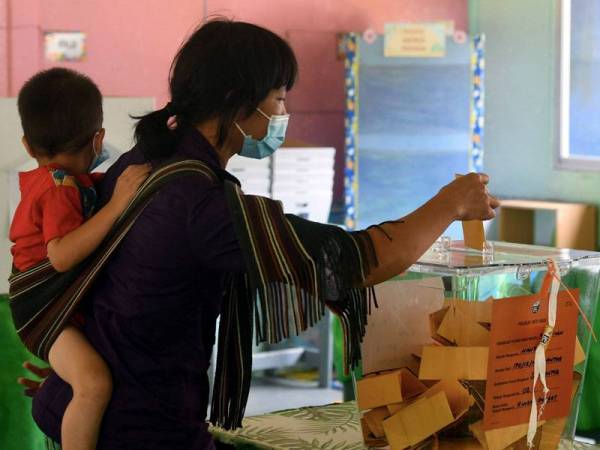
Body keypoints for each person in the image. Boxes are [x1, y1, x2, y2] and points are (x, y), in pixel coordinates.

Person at [25, 19, 498, 449]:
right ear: (238, 102)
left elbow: (106, 281)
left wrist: (67, 361)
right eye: (278, 98)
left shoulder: (141, 162)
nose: (282, 113)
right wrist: (451, 202)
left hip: (79, 403)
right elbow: (362, 259)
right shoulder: (202, 206)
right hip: (139, 428)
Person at [10, 68, 151, 450]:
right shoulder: (58, 188)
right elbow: (60, 255)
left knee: (87, 378)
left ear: (26, 145)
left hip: (45, 307)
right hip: (43, 309)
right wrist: (120, 202)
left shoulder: (68, 183)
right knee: (93, 384)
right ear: (98, 138)